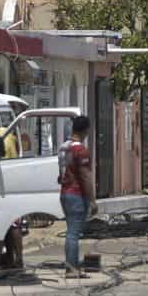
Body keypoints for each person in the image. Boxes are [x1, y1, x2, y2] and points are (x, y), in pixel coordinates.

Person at [58, 117, 96, 279]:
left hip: (65, 193)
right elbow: (86, 177)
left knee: (71, 231)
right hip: (76, 195)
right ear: (86, 130)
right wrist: (93, 200)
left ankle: (72, 264)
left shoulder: (65, 149)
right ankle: (72, 268)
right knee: (73, 233)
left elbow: (61, 172)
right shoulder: (81, 151)